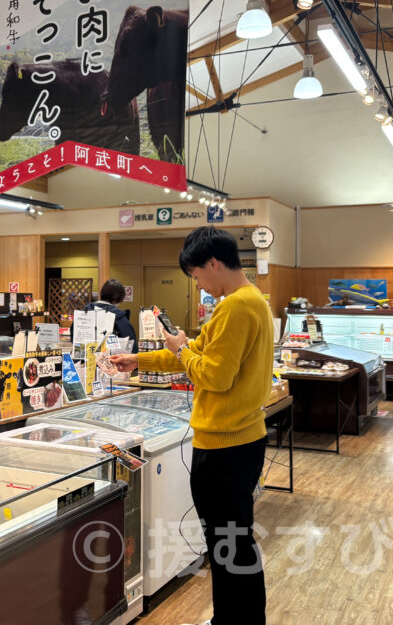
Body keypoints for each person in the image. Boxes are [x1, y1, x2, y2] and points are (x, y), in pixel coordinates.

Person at [110, 227, 273, 625]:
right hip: (241, 440)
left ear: (214, 263)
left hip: (224, 447)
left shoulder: (236, 307)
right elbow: (196, 353)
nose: (198, 283)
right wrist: (142, 361)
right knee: (234, 541)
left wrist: (182, 348)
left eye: (197, 275)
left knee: (227, 543)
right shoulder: (253, 302)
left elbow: (212, 375)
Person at [83, 279, 136, 346]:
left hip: (84, 353)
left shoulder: (84, 313)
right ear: (119, 298)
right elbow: (130, 344)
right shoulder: (119, 317)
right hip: (111, 356)